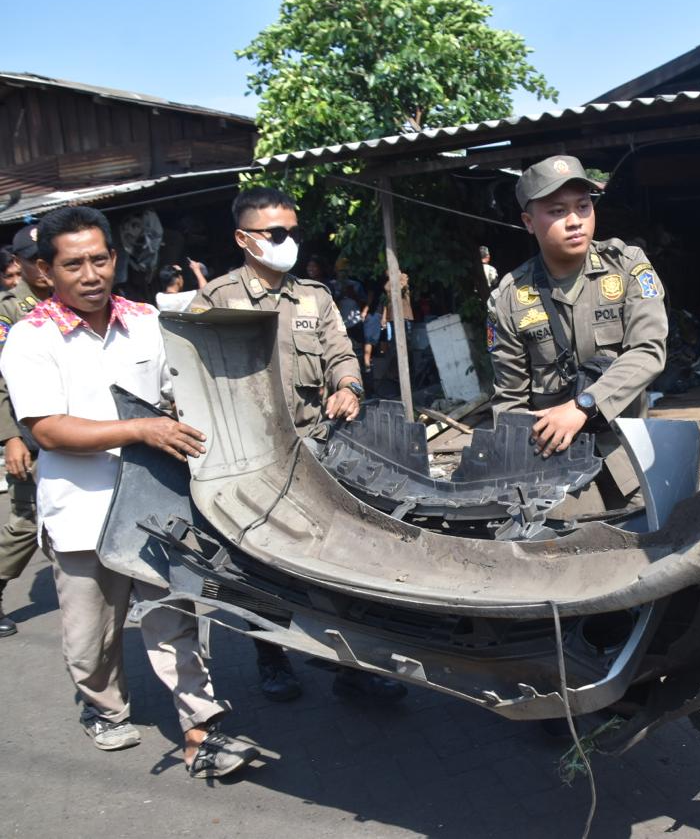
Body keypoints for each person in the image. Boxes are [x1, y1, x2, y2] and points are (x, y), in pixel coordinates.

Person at [0, 206, 257, 777]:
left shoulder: (146, 321)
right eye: (74, 264)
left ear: (114, 259)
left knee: (174, 618)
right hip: (80, 512)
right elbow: (47, 429)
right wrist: (141, 429)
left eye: (99, 259)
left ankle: (201, 728)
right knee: (90, 639)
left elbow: (177, 393)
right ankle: (103, 706)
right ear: (46, 270)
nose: (90, 274)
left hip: (153, 508)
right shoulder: (30, 338)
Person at [190, 187, 406, 704]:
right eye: (275, 233)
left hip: (313, 454)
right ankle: (271, 657)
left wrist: (349, 387)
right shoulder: (216, 300)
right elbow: (191, 380)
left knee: (337, 564)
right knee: (254, 571)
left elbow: (341, 355)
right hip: (246, 466)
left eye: (292, 231)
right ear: (243, 239)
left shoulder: (314, 297)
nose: (287, 241)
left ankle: (353, 669)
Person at [488, 154, 667, 511]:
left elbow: (648, 351)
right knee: (564, 538)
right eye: (557, 211)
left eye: (583, 207)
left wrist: (584, 405)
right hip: (556, 463)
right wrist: (519, 472)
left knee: (652, 532)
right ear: (528, 222)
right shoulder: (508, 298)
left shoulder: (627, 266)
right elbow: (510, 400)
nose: (575, 221)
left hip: (627, 452)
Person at [0, 225, 53, 637]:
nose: (43, 266)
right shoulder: (10, 311)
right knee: (26, 522)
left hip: (82, 430)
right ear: (20, 263)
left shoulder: (70, 298)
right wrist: (11, 438)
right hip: (31, 435)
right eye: (34, 260)